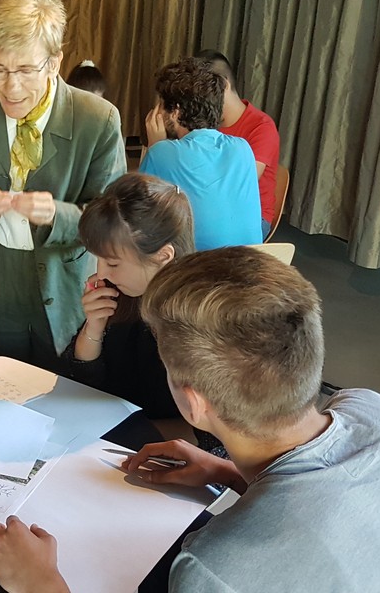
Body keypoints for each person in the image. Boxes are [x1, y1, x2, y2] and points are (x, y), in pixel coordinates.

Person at [0, 246, 380, 592]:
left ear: (194, 404)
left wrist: (41, 584)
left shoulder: (213, 570)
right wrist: (229, 473)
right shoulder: (368, 405)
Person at [0, 0, 127, 370]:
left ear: (54, 62)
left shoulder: (98, 120)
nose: (11, 88)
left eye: (26, 70)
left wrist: (57, 215)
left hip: (64, 279)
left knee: (64, 383)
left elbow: (112, 220)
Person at [61, 173, 194, 419]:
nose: (101, 272)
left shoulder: (195, 321)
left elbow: (208, 427)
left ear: (163, 256)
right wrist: (93, 327)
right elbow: (79, 382)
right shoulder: (120, 294)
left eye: (112, 263)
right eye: (98, 259)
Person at [139, 57, 262, 251]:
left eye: (161, 105)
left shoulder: (162, 153)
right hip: (251, 263)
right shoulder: (242, 148)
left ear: (176, 112)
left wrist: (155, 145)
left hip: (198, 267)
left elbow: (138, 212)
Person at [198, 49, 281, 239]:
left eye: (202, 92)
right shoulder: (205, 120)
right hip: (211, 205)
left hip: (251, 216)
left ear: (223, 85)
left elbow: (241, 181)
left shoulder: (262, 126)